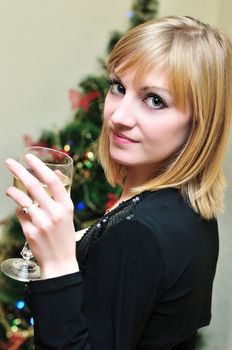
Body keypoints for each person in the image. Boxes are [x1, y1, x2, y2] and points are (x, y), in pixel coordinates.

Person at [5, 15, 232, 350]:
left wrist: (56, 265)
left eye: (155, 100)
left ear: (199, 123)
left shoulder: (138, 231)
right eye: (118, 87)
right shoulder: (188, 208)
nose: (119, 117)